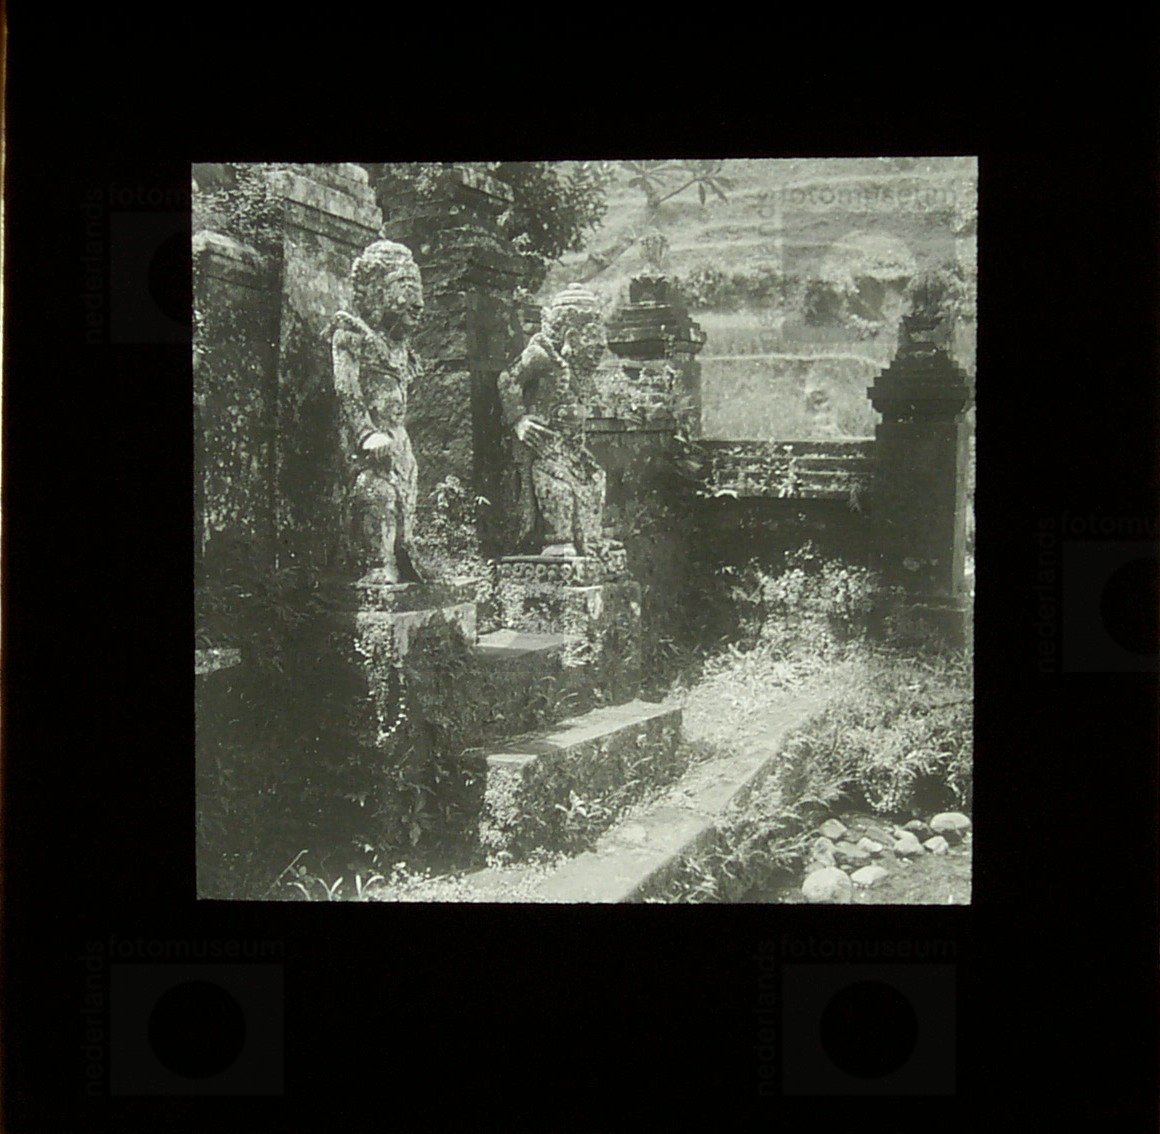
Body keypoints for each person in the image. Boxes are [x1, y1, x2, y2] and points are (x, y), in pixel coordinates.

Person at [330, 240, 426, 583]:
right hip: (364, 443)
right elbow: (346, 389)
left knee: (405, 500)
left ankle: (400, 554)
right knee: (376, 492)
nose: (418, 302)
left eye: (418, 290)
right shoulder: (351, 334)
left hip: (398, 439)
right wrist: (366, 433)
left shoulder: (400, 347)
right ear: (376, 291)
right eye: (406, 288)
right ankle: (376, 564)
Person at [497, 284, 612, 558]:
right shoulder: (542, 357)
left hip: (573, 452)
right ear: (572, 336)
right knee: (558, 489)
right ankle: (558, 540)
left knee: (595, 480)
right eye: (593, 339)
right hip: (546, 451)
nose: (601, 347)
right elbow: (508, 379)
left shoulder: (580, 370)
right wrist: (519, 420)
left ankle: (589, 541)